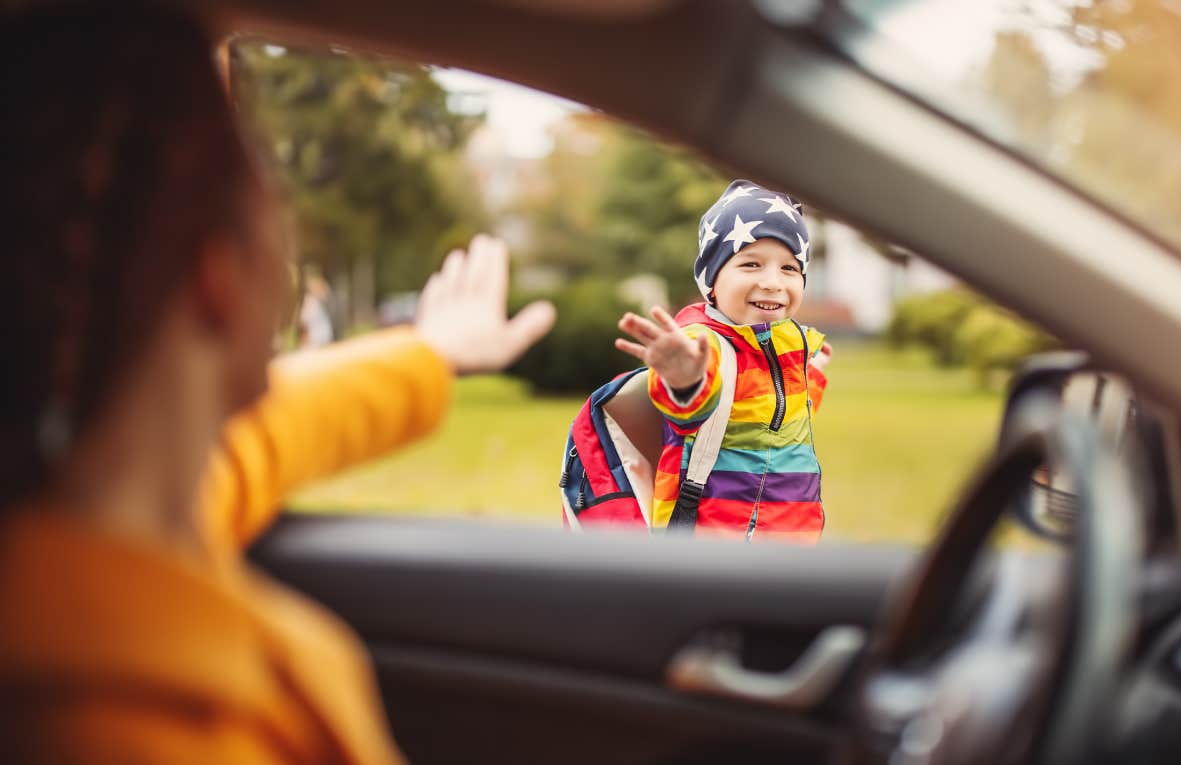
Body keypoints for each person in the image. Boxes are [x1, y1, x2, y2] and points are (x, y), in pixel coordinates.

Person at [0, 4, 555, 763]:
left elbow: (270, 431)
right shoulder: (158, 733)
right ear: (220, 271)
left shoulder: (93, 520)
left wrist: (431, 352)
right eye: (260, 175)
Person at [615, 180, 831, 542]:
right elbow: (689, 408)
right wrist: (684, 380)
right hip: (711, 545)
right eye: (751, 264)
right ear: (712, 281)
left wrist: (812, 376)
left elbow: (779, 420)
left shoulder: (790, 344)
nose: (772, 282)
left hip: (792, 540)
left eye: (789, 268)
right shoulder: (703, 344)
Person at [297, 270, 335, 348]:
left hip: (321, 339)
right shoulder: (310, 302)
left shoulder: (317, 303)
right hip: (315, 341)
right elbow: (304, 323)